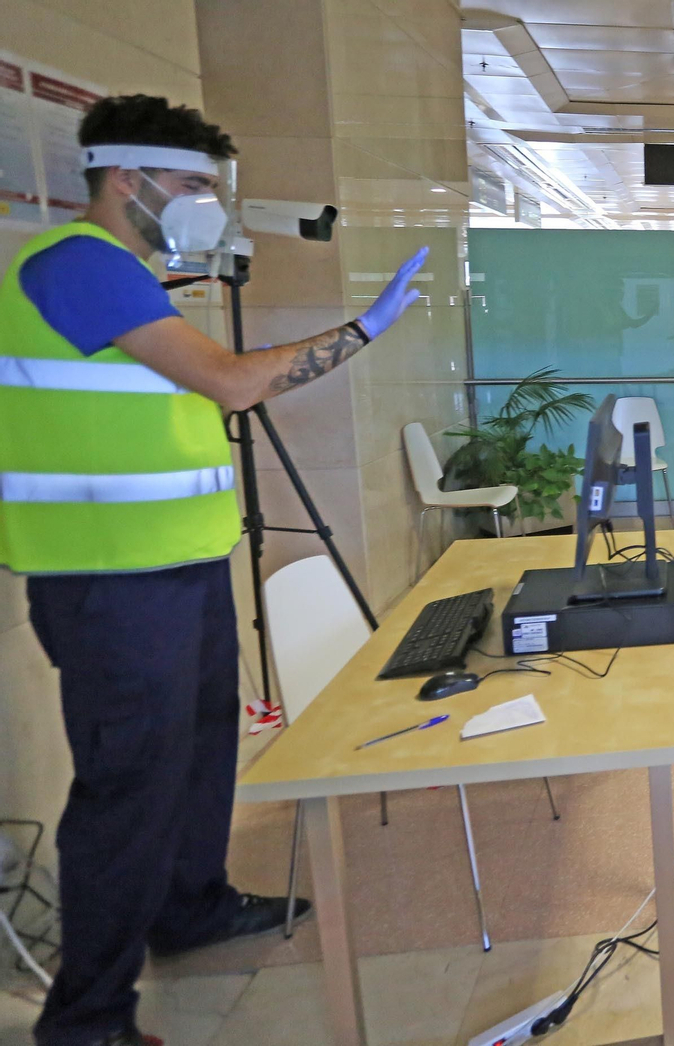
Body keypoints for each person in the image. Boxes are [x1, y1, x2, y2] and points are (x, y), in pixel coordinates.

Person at [0, 95, 428, 1046]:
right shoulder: (76, 265)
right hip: (108, 580)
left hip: (177, 563)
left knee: (198, 751)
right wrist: (362, 329)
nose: (205, 202)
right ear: (127, 179)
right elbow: (231, 381)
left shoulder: (134, 276)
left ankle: (190, 906)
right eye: (193, 183)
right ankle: (87, 1020)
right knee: (128, 790)